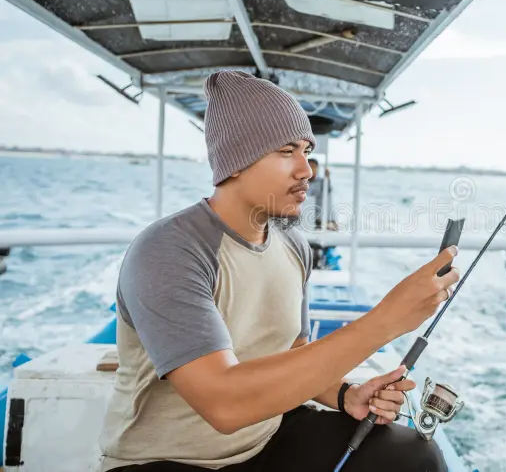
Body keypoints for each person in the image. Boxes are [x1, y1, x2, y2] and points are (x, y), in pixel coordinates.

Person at [97, 70, 460, 472]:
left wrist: (345, 394)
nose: (307, 169)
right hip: (167, 461)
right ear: (236, 160)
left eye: (307, 150)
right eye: (287, 151)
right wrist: (385, 322)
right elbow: (224, 403)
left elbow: (292, 353)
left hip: (265, 441)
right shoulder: (169, 249)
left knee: (413, 456)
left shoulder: (293, 244)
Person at [307, 158, 337, 231]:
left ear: (317, 168)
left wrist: (328, 178)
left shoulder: (322, 181)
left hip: (320, 217)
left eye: (313, 166)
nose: (311, 168)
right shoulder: (301, 183)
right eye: (309, 166)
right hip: (306, 216)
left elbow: (328, 189)